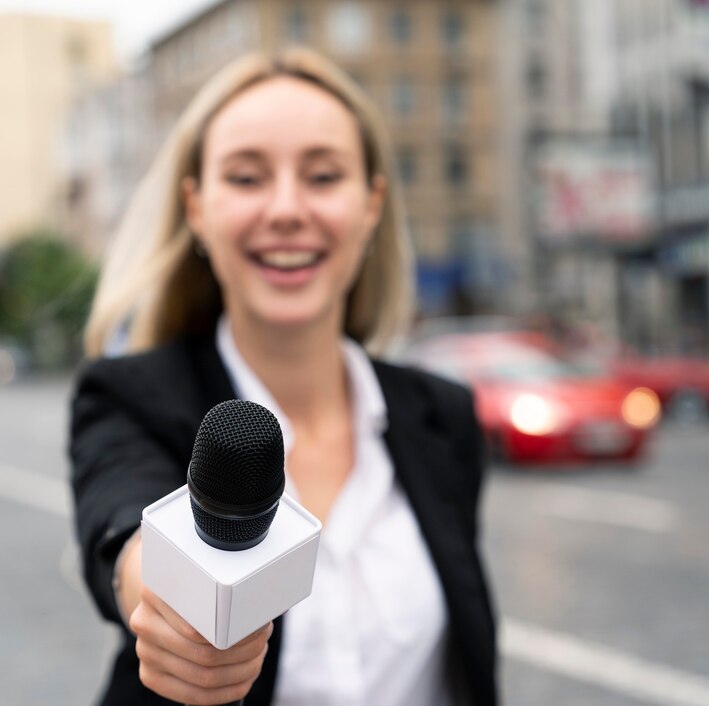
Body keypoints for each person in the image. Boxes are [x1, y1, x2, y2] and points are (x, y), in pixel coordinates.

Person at [69, 47, 499, 706]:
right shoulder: (128, 396)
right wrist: (166, 605)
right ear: (197, 208)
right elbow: (123, 521)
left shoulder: (442, 414)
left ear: (371, 204)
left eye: (324, 176)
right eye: (246, 178)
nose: (287, 209)